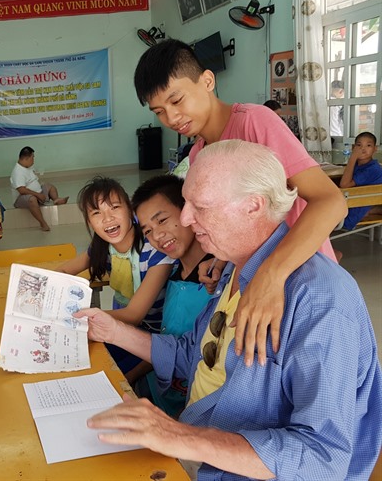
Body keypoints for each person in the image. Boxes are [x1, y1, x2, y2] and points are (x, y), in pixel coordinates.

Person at [77, 140, 381, 480]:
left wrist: (182, 437)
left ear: (253, 206)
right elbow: (192, 352)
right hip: (202, 449)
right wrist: (113, 330)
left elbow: (322, 458)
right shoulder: (234, 269)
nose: (187, 219)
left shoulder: (319, 300)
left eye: (200, 206)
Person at [134, 38, 347, 366]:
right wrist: (222, 258)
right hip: (257, 278)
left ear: (207, 81)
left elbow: (330, 202)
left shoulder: (254, 122)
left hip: (299, 274)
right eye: (159, 111)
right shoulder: (198, 153)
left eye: (176, 100)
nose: (172, 118)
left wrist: (271, 275)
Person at [56, 177, 173, 381]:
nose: (107, 219)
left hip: (155, 340)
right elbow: (65, 269)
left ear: (130, 210)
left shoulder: (155, 252)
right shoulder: (102, 248)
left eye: (114, 208)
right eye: (96, 213)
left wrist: (76, 318)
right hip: (123, 327)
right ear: (89, 222)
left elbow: (134, 314)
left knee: (110, 377)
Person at [130, 175, 214, 416]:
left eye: (163, 220)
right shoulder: (174, 274)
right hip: (160, 393)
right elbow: (167, 343)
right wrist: (130, 377)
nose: (157, 236)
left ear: (188, 212)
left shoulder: (217, 278)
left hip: (191, 411)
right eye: (148, 231)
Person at [10, 146, 68, 231]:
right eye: (32, 158)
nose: (33, 160)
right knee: (32, 199)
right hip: (22, 198)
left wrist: (40, 193)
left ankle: (56, 200)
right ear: (26, 158)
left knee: (49, 186)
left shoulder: (27, 167)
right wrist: (38, 195)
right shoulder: (17, 172)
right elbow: (22, 190)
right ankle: (43, 223)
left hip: (37, 193)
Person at [339, 131, 382, 230]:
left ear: (375, 149)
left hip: (350, 215)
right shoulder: (359, 165)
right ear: (353, 147)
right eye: (359, 145)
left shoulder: (372, 169)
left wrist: (353, 157)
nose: (363, 149)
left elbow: (344, 184)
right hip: (352, 205)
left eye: (368, 145)